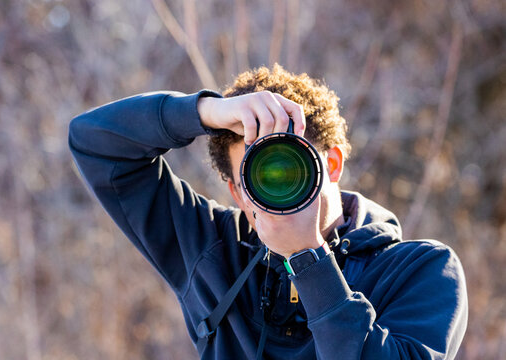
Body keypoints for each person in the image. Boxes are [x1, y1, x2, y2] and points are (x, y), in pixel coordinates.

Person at [69, 64, 468, 359]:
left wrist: (308, 258)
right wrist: (207, 112)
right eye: (256, 175)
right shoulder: (210, 247)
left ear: (331, 164)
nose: (274, 187)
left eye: (286, 166)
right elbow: (94, 142)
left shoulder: (421, 269)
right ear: (237, 192)